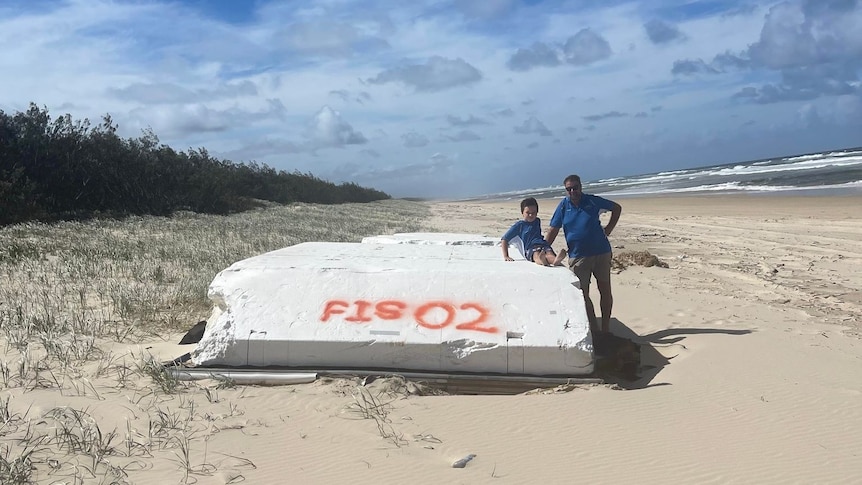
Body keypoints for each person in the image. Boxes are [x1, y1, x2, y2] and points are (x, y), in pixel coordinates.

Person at [546, 175, 622, 333]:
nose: (573, 191)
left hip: (601, 253)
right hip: (578, 256)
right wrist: (544, 248)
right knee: (582, 295)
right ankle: (593, 330)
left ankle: (606, 329)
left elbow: (616, 208)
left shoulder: (593, 201)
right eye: (569, 189)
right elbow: (553, 230)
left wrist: (608, 230)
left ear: (581, 187)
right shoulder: (562, 207)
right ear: (566, 190)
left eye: (575, 187)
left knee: (605, 290)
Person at [501, 197, 566, 266]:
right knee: (536, 255)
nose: (531, 215)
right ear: (522, 213)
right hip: (530, 247)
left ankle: (555, 260)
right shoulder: (519, 226)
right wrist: (506, 256)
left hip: (543, 244)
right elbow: (504, 239)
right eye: (528, 213)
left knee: (550, 253)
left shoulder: (537, 221)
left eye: (533, 213)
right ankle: (542, 260)